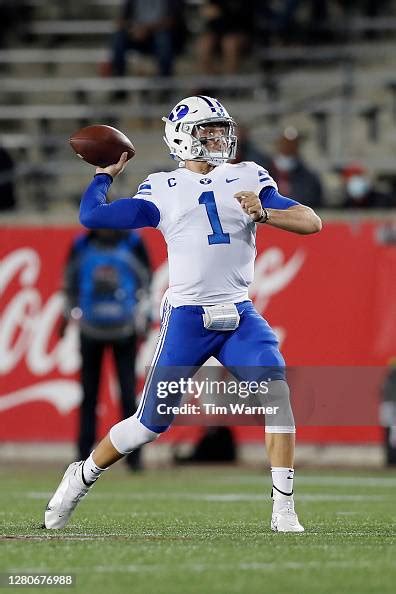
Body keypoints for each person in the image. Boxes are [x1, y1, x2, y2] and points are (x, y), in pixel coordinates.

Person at [44, 95, 322, 533]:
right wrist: (104, 175)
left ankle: (284, 511)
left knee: (276, 395)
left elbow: (311, 222)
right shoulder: (162, 187)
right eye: (206, 130)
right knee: (148, 424)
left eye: (219, 129)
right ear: (181, 137)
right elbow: (92, 215)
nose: (217, 137)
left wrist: (265, 213)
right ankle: (80, 476)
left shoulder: (248, 175)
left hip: (238, 314)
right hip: (189, 317)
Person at [60, 228, 152, 471]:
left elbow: (69, 282)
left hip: (115, 329)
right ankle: (87, 454)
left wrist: (67, 315)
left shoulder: (123, 242)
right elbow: (146, 280)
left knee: (124, 394)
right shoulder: (126, 242)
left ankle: (131, 456)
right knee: (93, 395)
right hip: (103, 328)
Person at [109, 0, 185, 79]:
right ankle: (118, 80)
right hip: (136, 33)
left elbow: (174, 20)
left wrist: (147, 29)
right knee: (119, 37)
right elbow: (121, 20)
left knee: (163, 39)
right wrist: (132, 28)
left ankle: (165, 80)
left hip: (161, 34)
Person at [261, 127, 324, 208]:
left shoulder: (309, 178)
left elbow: (313, 202)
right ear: (277, 144)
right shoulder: (263, 173)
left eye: (292, 144)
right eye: (284, 143)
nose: (287, 147)